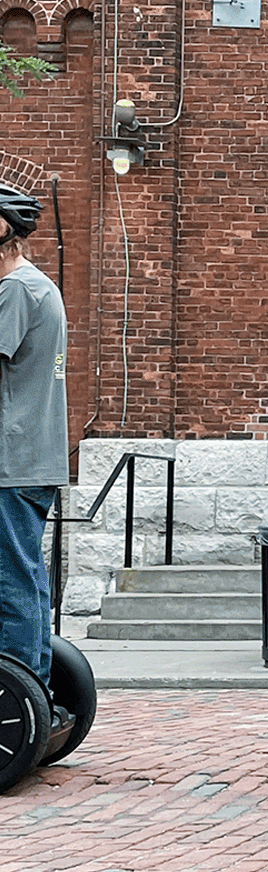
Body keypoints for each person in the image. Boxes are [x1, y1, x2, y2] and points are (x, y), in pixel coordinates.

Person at [0, 183, 67, 696]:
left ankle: (19, 692)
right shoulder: (39, 285)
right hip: (31, 459)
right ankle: (36, 688)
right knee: (25, 577)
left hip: (10, 459)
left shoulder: (16, 289)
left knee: (11, 583)